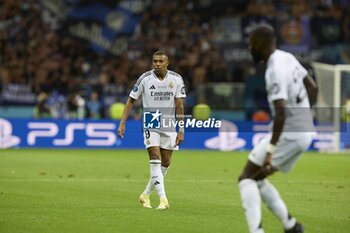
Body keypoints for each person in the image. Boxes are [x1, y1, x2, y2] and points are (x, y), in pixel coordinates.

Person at [238, 25, 318, 233]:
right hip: (302, 129)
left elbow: (281, 112)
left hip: (290, 132)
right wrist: (304, 117)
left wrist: (271, 151)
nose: (249, 48)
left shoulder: (274, 70)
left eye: (251, 43)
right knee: (256, 178)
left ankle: (257, 231)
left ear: (259, 44)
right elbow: (313, 87)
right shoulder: (287, 57)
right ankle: (291, 226)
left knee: (246, 178)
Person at [117, 50, 186, 210]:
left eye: (161, 61)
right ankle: (163, 200)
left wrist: (181, 129)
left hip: (169, 123)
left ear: (167, 63)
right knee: (155, 158)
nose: (157, 64)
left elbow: (179, 105)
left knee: (166, 162)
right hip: (151, 120)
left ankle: (146, 194)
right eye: (155, 61)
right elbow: (130, 101)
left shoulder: (176, 79)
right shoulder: (145, 79)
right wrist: (122, 122)